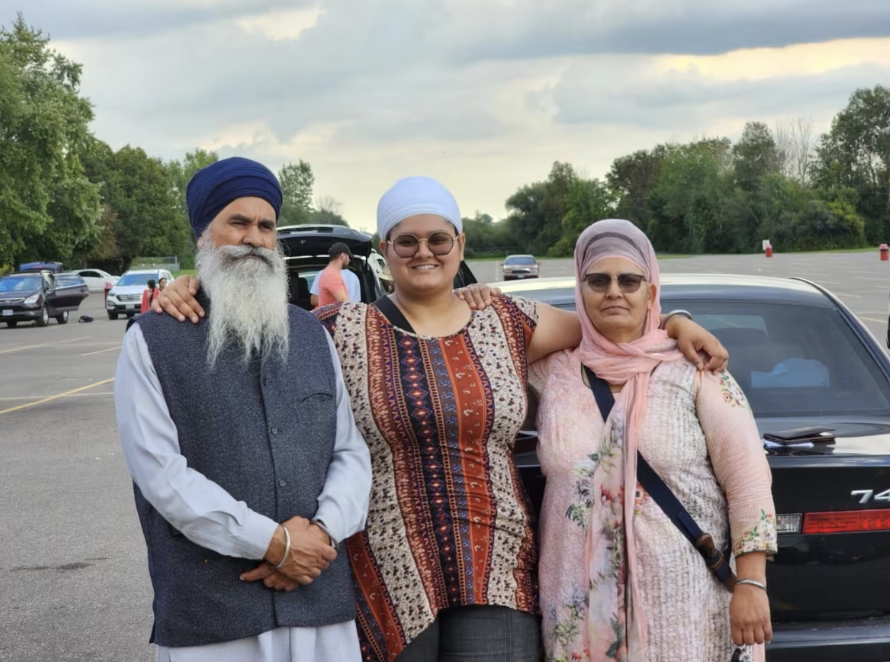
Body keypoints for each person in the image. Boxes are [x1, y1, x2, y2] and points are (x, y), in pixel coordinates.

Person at [154, 177, 728, 662]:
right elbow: (246, 325)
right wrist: (189, 289)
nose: (423, 252)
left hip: (496, 561)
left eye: (437, 239)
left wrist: (677, 321)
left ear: (460, 244)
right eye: (406, 241)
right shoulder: (340, 329)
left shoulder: (507, 320)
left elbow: (612, 322)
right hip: (385, 566)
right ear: (385, 248)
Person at [114, 156, 372, 662]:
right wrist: (274, 544)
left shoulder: (311, 335)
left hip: (318, 601)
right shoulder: (152, 341)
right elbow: (161, 475)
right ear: (203, 235)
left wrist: (319, 534)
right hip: (212, 618)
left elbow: (349, 453)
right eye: (238, 222)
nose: (254, 238)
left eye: (266, 226)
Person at [529, 219, 776, 662]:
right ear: (580, 289)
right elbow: (480, 346)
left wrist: (752, 583)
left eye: (629, 281)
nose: (614, 292)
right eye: (598, 281)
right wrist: (477, 296)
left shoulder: (696, 370)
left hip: (686, 607)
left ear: (651, 289)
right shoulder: (552, 373)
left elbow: (748, 482)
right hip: (577, 608)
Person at [311, 243, 361, 308]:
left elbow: (314, 300)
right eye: (348, 257)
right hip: (334, 314)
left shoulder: (326, 273)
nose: (349, 260)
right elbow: (345, 303)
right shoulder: (331, 275)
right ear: (343, 256)